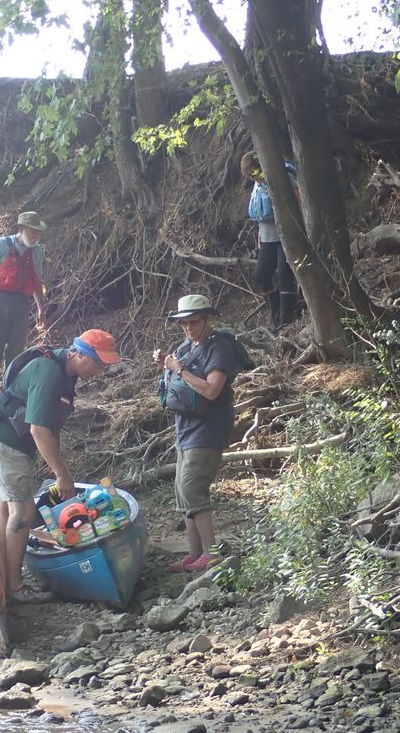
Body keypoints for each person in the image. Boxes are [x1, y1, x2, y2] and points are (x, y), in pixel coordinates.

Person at [0, 329, 121, 603]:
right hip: (4, 438)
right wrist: (61, 474)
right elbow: (38, 429)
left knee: (6, 510)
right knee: (22, 511)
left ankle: (0, 582)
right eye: (97, 363)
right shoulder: (49, 371)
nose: (99, 371)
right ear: (78, 353)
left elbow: (52, 427)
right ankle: (14, 588)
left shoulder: (67, 373)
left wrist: (58, 465)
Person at [153, 295, 239, 573]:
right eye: (184, 323)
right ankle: (194, 554)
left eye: (193, 322)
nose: (188, 328)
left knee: (192, 488)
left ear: (207, 318)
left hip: (208, 430)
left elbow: (212, 390)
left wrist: (179, 369)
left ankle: (211, 555)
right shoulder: (186, 347)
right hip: (186, 430)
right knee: (183, 492)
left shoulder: (219, 348)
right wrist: (167, 367)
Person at [0, 211, 49, 399]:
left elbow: (37, 282)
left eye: (37, 232)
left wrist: (41, 309)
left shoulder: (36, 251)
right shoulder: (1, 244)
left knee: (16, 348)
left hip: (22, 303)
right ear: (22, 229)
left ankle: (8, 390)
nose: (35, 236)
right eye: (32, 231)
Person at [241, 151, 299, 328]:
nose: (253, 178)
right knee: (261, 274)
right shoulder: (257, 184)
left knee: (284, 274)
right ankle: (275, 310)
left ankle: (286, 319)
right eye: (249, 175)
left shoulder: (282, 175)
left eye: (253, 173)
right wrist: (260, 234)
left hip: (286, 231)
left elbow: (298, 197)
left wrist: (300, 225)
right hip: (267, 235)